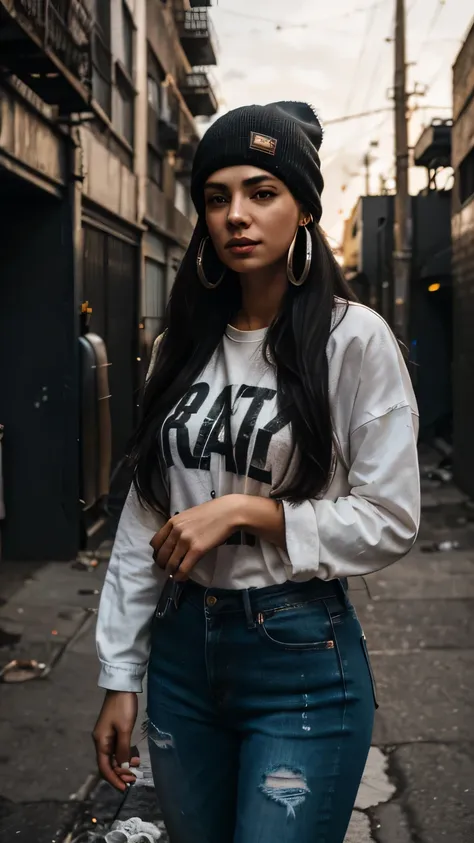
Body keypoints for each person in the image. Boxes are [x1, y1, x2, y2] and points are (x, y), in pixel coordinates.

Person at [93, 102, 420, 843]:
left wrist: (251, 512)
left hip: (298, 655)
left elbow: (392, 517)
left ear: (304, 208)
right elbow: (147, 515)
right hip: (179, 659)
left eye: (262, 192)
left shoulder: (353, 340)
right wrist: (119, 671)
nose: (236, 215)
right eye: (218, 197)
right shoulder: (179, 345)